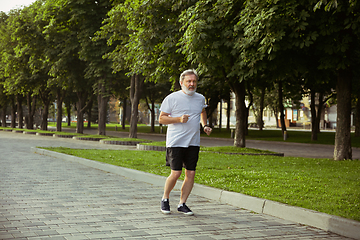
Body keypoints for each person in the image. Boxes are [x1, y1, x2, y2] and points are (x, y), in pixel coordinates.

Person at [158, 69, 212, 215]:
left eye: (194, 81)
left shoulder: (200, 98)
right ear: (181, 82)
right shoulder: (172, 98)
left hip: (193, 142)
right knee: (176, 173)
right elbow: (161, 119)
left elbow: (202, 111)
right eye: (189, 81)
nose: (191, 84)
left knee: (191, 173)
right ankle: (165, 199)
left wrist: (204, 125)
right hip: (175, 141)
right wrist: (178, 119)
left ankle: (182, 203)